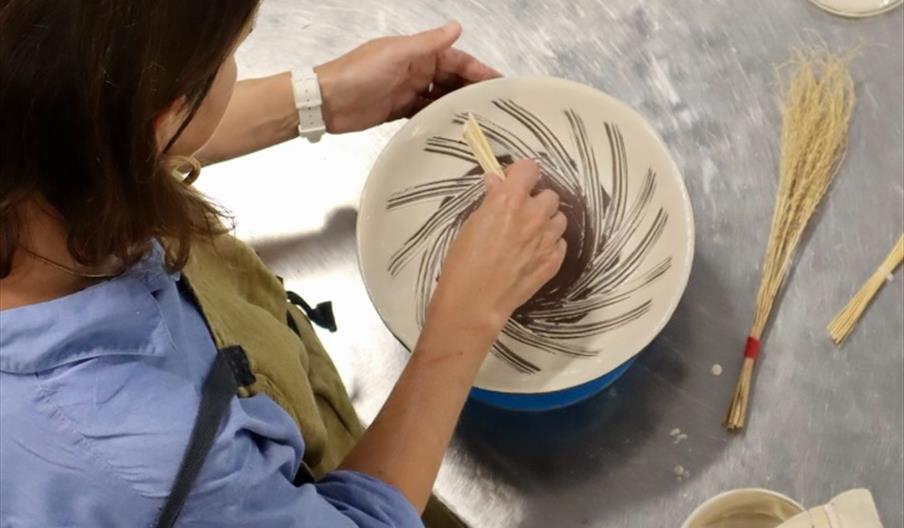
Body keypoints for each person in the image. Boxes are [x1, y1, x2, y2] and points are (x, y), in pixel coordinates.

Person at [0, 2, 567, 527]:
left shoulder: (31, 153)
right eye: (232, 53)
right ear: (163, 113)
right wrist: (466, 317)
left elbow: (86, 136)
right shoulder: (144, 452)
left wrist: (316, 97)